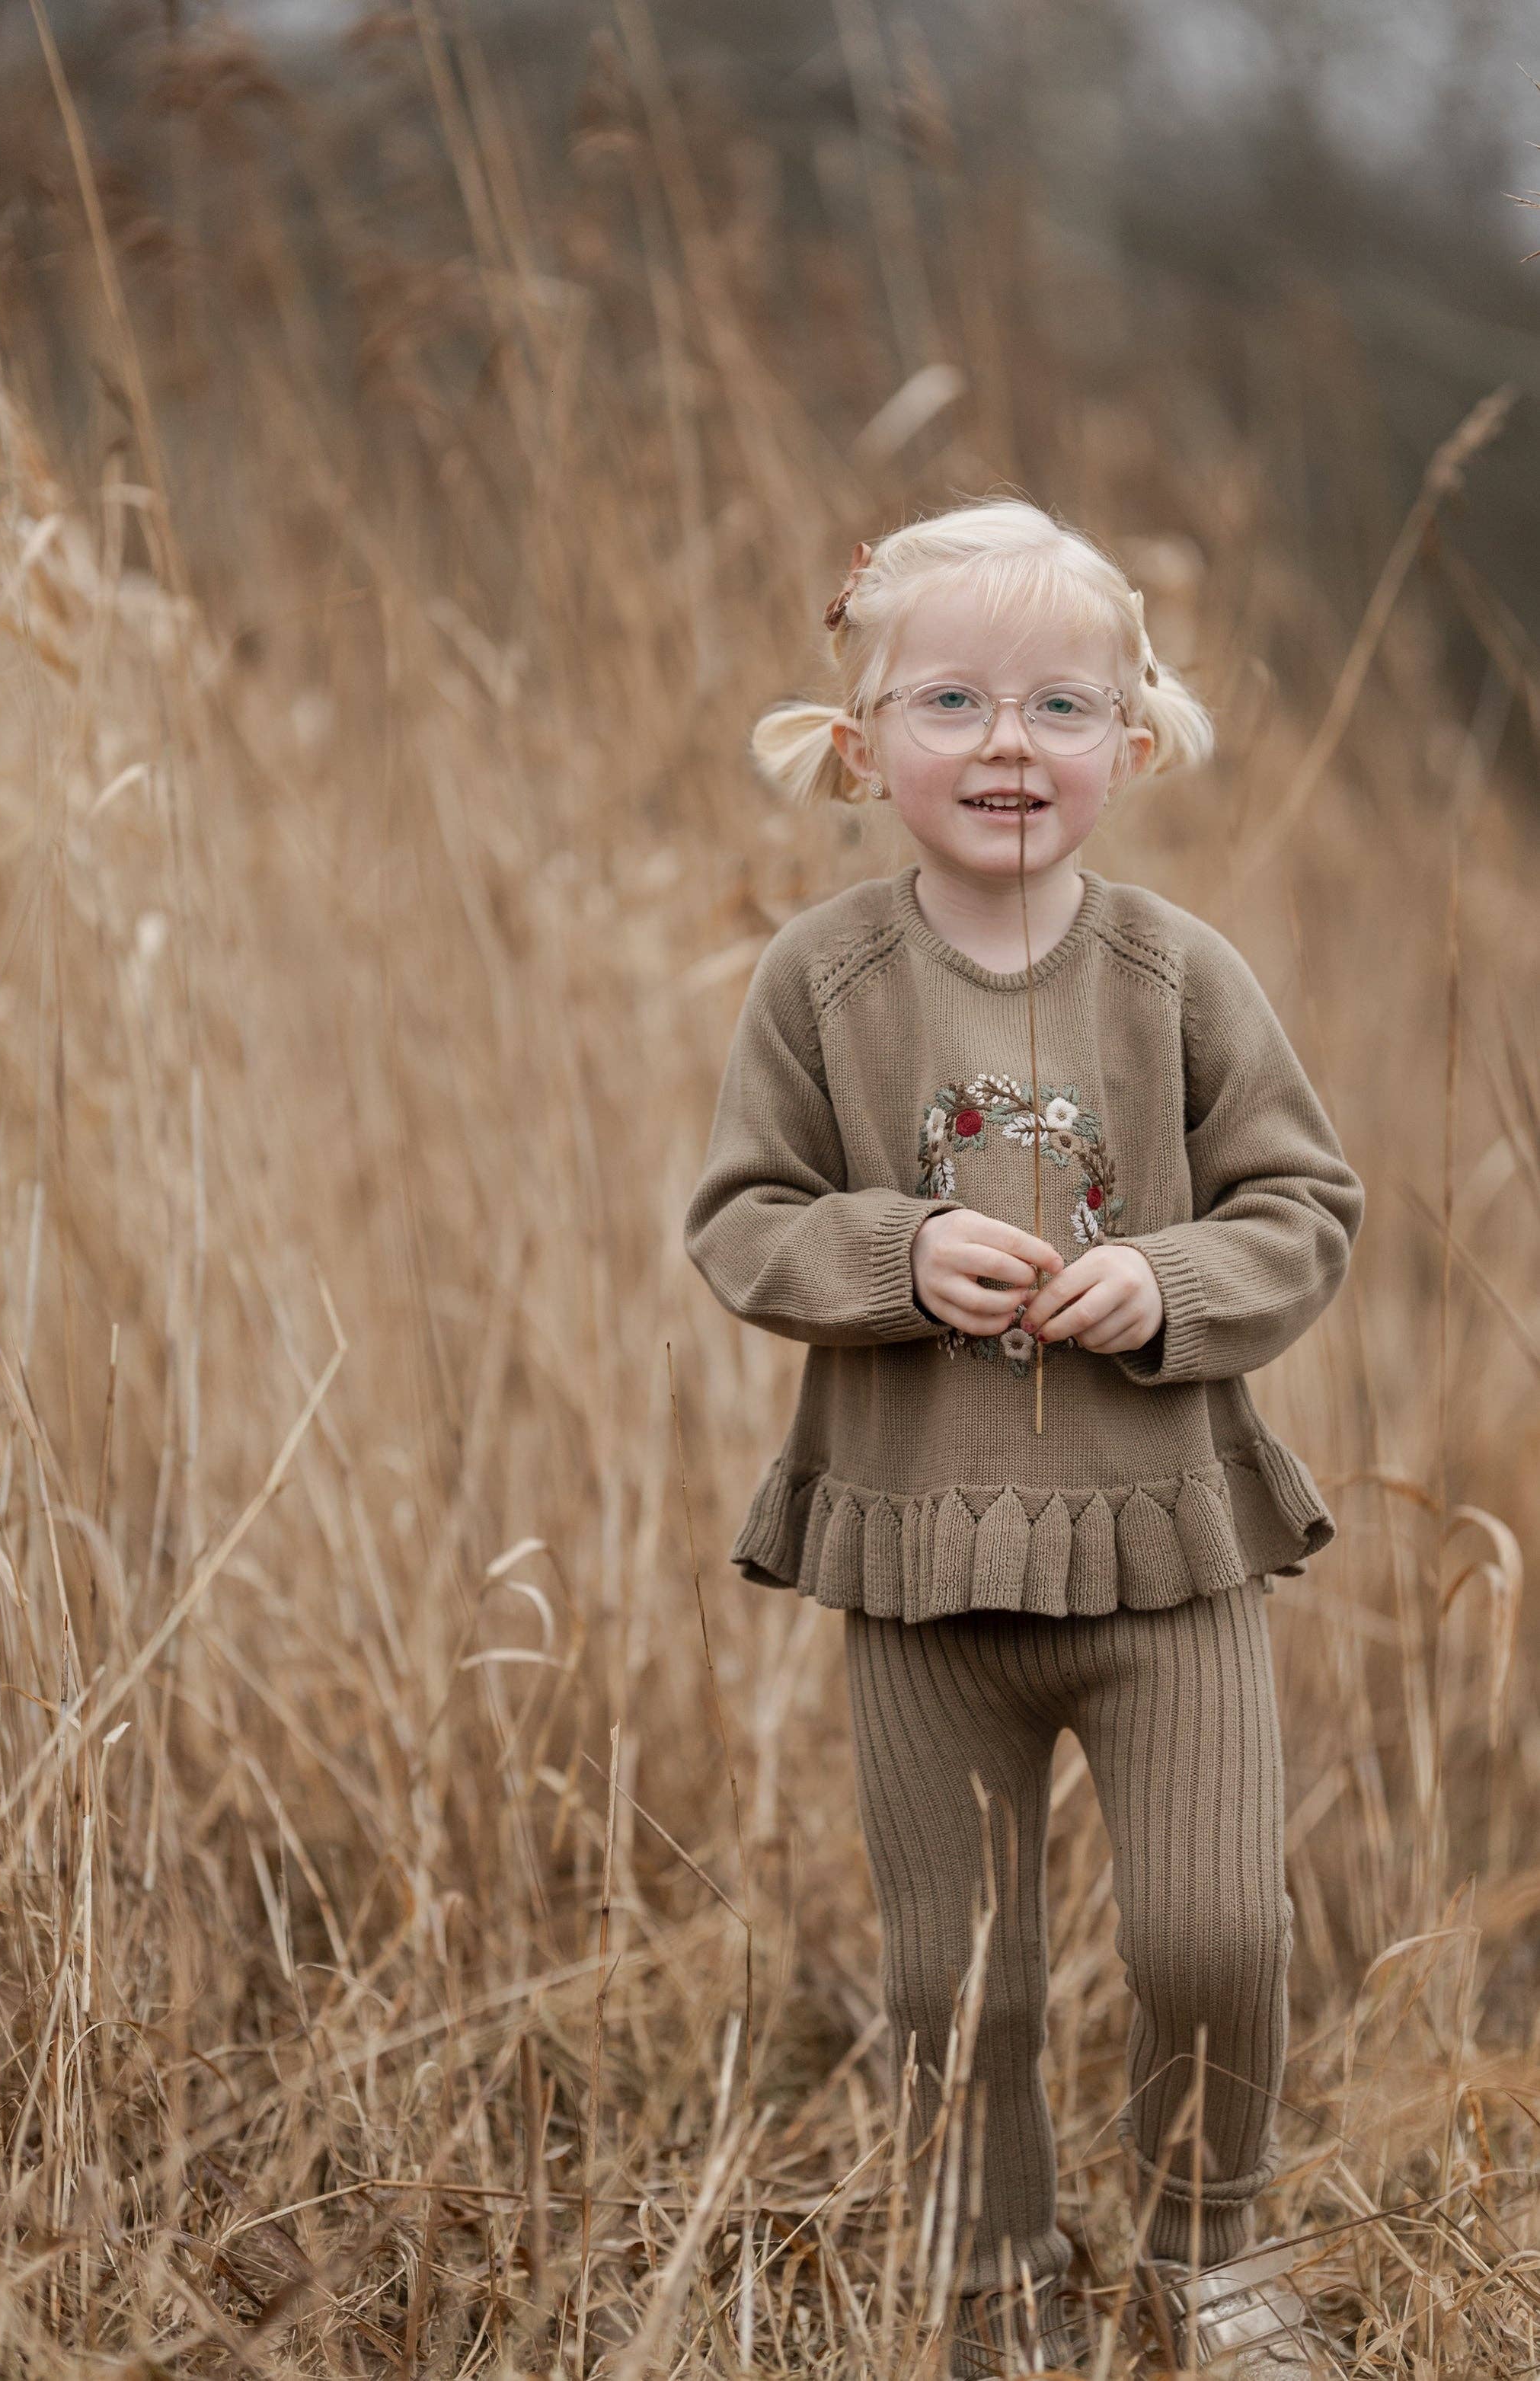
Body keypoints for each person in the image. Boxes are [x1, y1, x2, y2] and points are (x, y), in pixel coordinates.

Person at [681, 497, 1364, 2376]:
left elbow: (1302, 1203)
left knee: (1214, 1934)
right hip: (917, 1559)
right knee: (947, 1973)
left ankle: (1208, 2252)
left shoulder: (1178, 972)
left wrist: (1172, 1287)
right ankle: (990, 2276)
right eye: (953, 700)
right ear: (858, 748)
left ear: (1133, 743)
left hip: (1168, 1547)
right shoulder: (820, 980)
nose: (1006, 744)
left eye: (1063, 704)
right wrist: (893, 1250)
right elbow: (739, 1220)